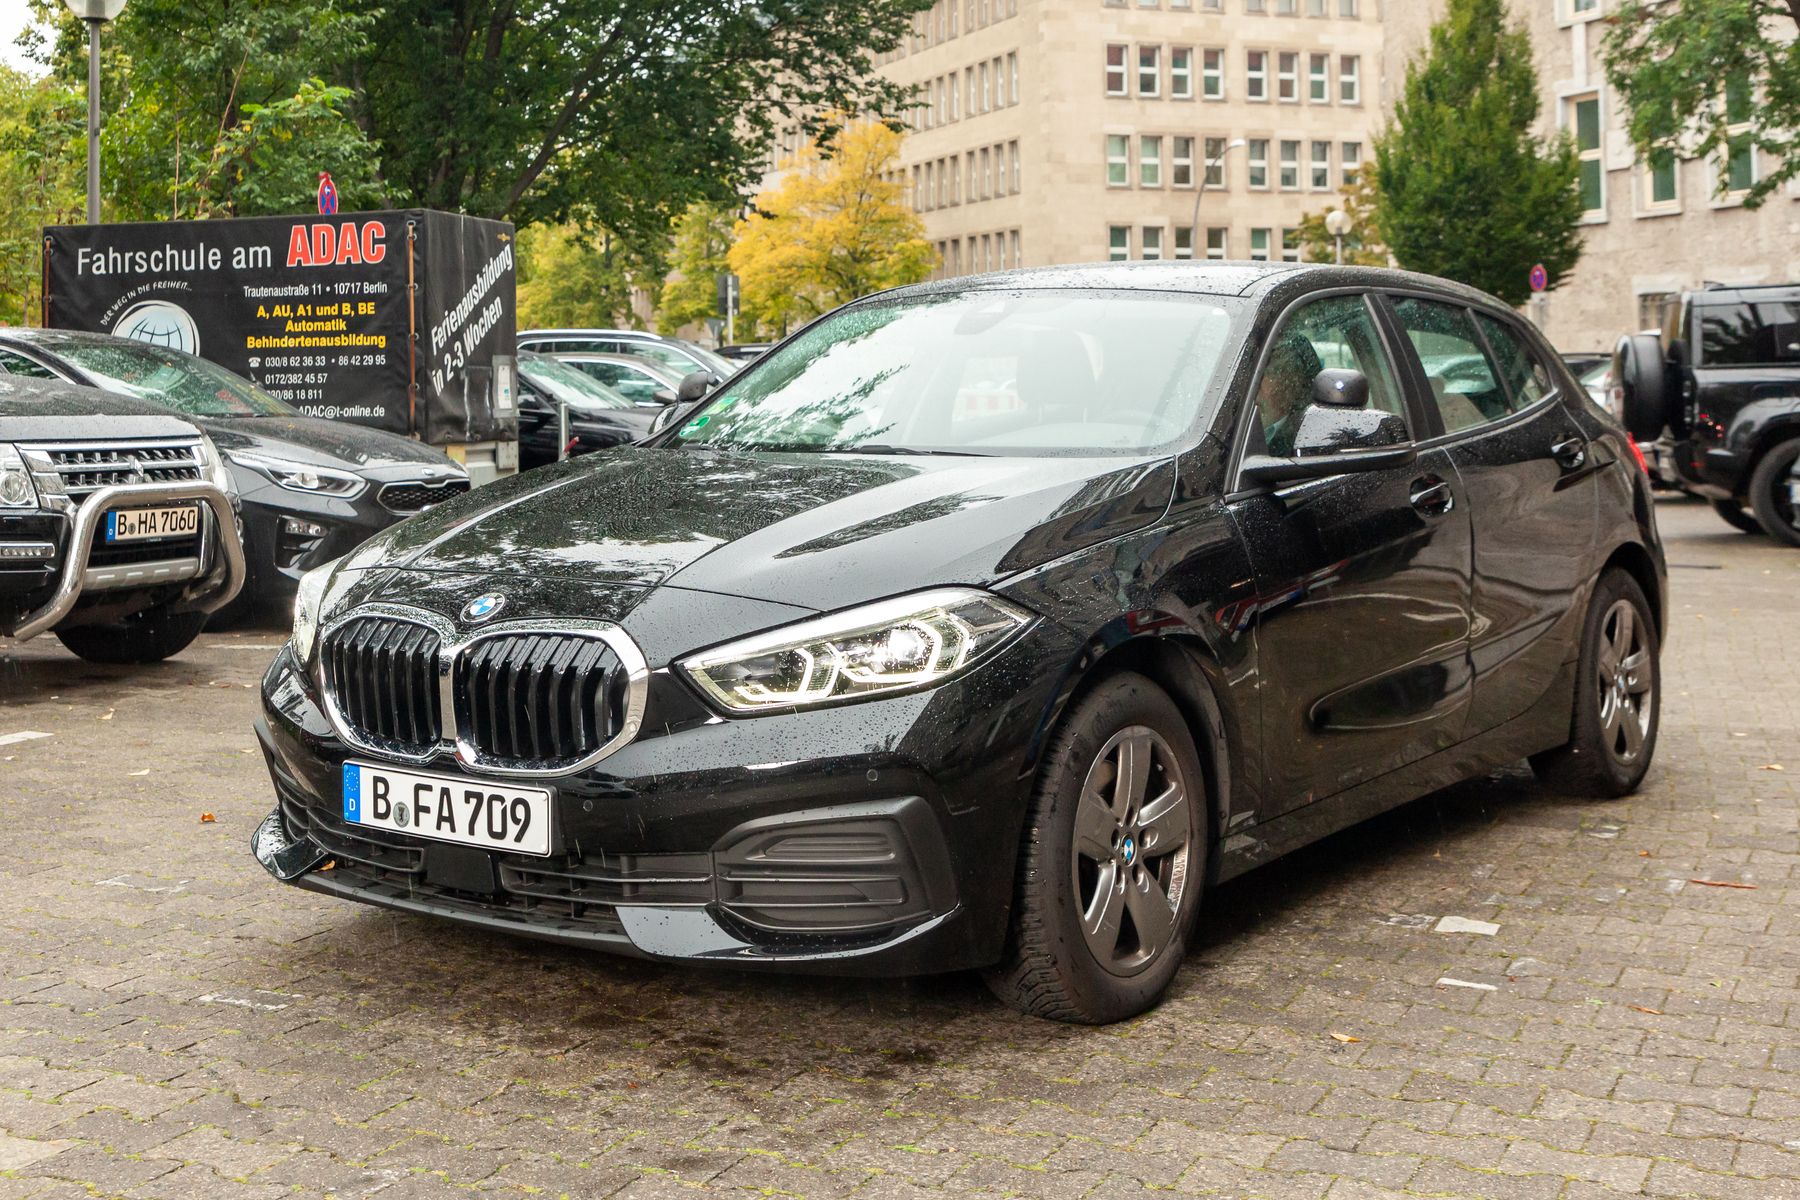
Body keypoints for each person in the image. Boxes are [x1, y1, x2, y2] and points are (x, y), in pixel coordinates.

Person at [1258, 332, 1323, 457]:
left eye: (1268, 373)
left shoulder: (1307, 442)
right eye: (1250, 375)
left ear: (1294, 383)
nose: (1256, 386)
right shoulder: (1232, 431)